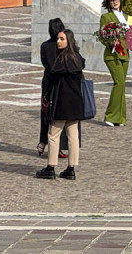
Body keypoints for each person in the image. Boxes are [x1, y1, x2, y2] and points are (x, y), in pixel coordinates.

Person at [36, 28, 85, 180]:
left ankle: (51, 167)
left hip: (61, 102)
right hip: (76, 102)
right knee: (73, 135)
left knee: (53, 134)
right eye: (58, 38)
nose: (58, 41)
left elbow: (51, 77)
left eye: (62, 39)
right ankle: (71, 168)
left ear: (68, 40)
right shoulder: (77, 58)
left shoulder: (62, 60)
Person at [99, 0, 129, 127]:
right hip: (112, 55)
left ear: (121, 1)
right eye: (112, 0)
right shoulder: (106, 17)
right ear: (108, 3)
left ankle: (121, 118)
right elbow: (102, 36)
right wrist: (111, 42)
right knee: (119, 83)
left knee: (122, 86)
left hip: (125, 55)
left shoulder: (127, 17)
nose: (115, 2)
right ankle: (110, 116)